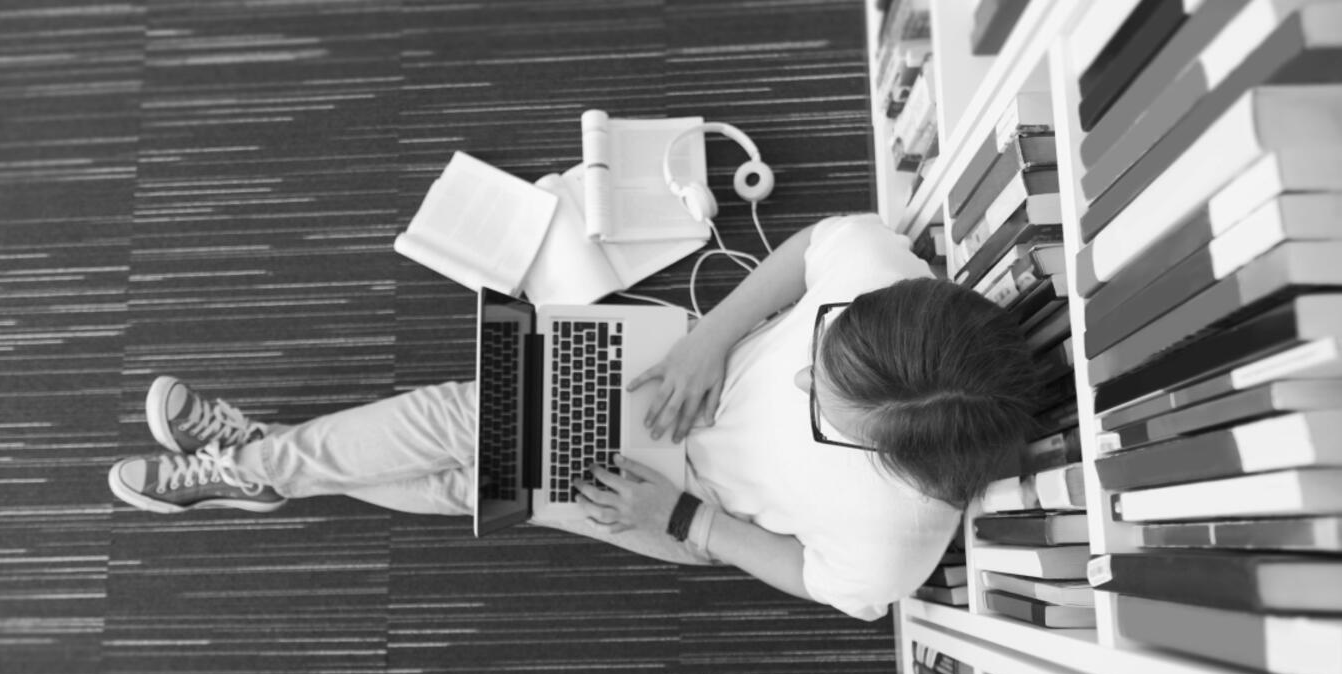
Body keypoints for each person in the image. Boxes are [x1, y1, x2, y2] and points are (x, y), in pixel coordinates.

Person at [108, 214, 1042, 621]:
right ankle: (262, 470)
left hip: (681, 499)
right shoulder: (879, 274)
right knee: (461, 417)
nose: (799, 386)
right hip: (667, 372)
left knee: (480, 482)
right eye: (819, 362)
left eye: (824, 411)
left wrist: (680, 522)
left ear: (895, 459)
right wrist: (711, 341)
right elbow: (809, 249)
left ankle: (259, 463)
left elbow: (823, 581)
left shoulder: (898, 534)